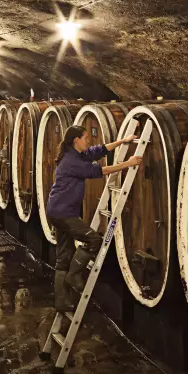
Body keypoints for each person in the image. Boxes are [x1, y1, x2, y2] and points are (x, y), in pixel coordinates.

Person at [46, 125, 142, 312]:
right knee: (94, 239)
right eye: (85, 138)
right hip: (63, 213)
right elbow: (99, 172)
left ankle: (61, 301)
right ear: (76, 141)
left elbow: (97, 151)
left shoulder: (75, 154)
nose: (88, 141)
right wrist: (128, 164)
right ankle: (74, 276)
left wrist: (122, 141)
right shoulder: (71, 162)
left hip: (58, 211)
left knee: (63, 258)